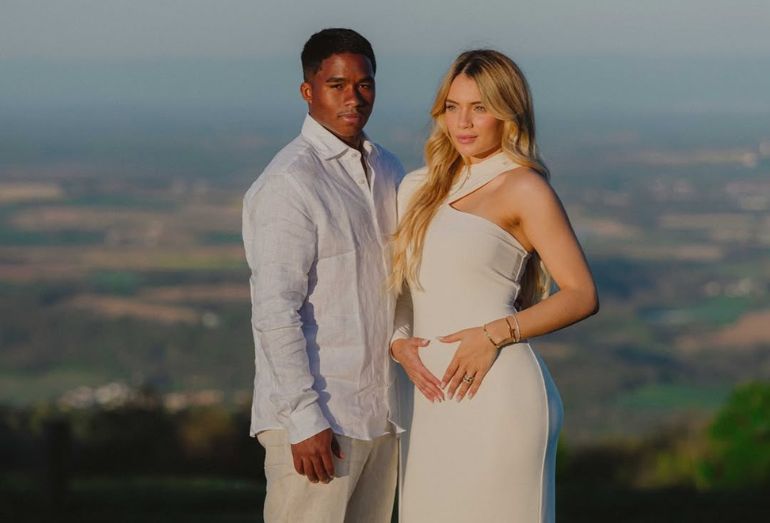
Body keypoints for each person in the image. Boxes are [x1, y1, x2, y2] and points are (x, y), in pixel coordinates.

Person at [389, 49, 599, 522]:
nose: (462, 122)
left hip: (498, 396)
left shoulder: (524, 188)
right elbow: (403, 288)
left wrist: (491, 335)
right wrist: (399, 343)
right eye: (452, 107)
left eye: (479, 108)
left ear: (508, 113)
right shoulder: (416, 187)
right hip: (427, 400)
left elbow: (582, 294)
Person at [242, 28, 405, 523]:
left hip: (383, 416)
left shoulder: (389, 169)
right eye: (336, 85)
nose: (354, 97)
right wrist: (304, 417)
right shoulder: (290, 182)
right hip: (317, 423)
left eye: (364, 84)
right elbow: (275, 310)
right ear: (307, 90)